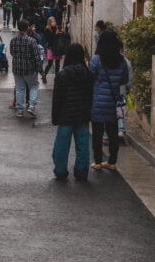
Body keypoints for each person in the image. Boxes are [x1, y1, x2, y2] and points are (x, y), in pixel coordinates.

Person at [51, 43, 95, 181]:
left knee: (62, 145)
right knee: (82, 144)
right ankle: (81, 171)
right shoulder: (88, 74)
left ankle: (60, 170)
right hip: (82, 114)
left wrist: (55, 116)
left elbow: (57, 98)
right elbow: (90, 96)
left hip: (65, 114)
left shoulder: (62, 75)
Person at [89, 29, 128, 171]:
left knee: (97, 133)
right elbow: (124, 80)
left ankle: (98, 161)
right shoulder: (122, 61)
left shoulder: (96, 60)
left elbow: (90, 78)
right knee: (112, 133)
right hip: (113, 103)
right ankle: (112, 161)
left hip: (97, 102)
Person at [9, 18, 43, 118]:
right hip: (30, 69)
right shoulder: (32, 41)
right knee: (33, 86)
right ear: (27, 28)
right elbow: (37, 57)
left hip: (17, 68)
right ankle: (31, 106)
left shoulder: (13, 40)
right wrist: (41, 71)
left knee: (20, 88)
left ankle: (20, 110)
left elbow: (12, 53)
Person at [41, 16, 60, 83]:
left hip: (57, 48)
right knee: (50, 63)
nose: (54, 22)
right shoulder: (47, 29)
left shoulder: (56, 28)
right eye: (52, 21)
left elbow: (58, 38)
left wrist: (59, 34)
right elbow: (49, 39)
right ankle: (44, 76)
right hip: (51, 48)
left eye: (54, 21)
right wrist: (56, 34)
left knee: (57, 63)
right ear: (49, 22)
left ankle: (57, 77)